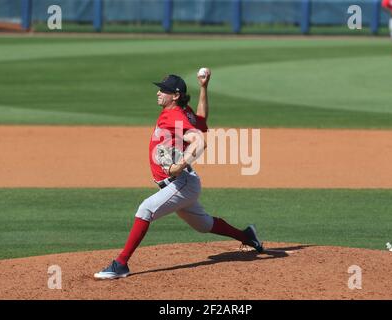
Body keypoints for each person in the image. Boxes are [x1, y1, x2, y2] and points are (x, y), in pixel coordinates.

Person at [94, 69, 264, 280]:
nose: (158, 93)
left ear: (175, 95)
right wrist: (204, 88)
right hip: (181, 184)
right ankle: (247, 235)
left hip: (181, 182)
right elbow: (201, 119)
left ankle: (120, 264)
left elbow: (200, 141)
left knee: (145, 208)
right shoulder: (184, 112)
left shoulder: (175, 115)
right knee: (204, 225)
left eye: (163, 90)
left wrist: (180, 165)